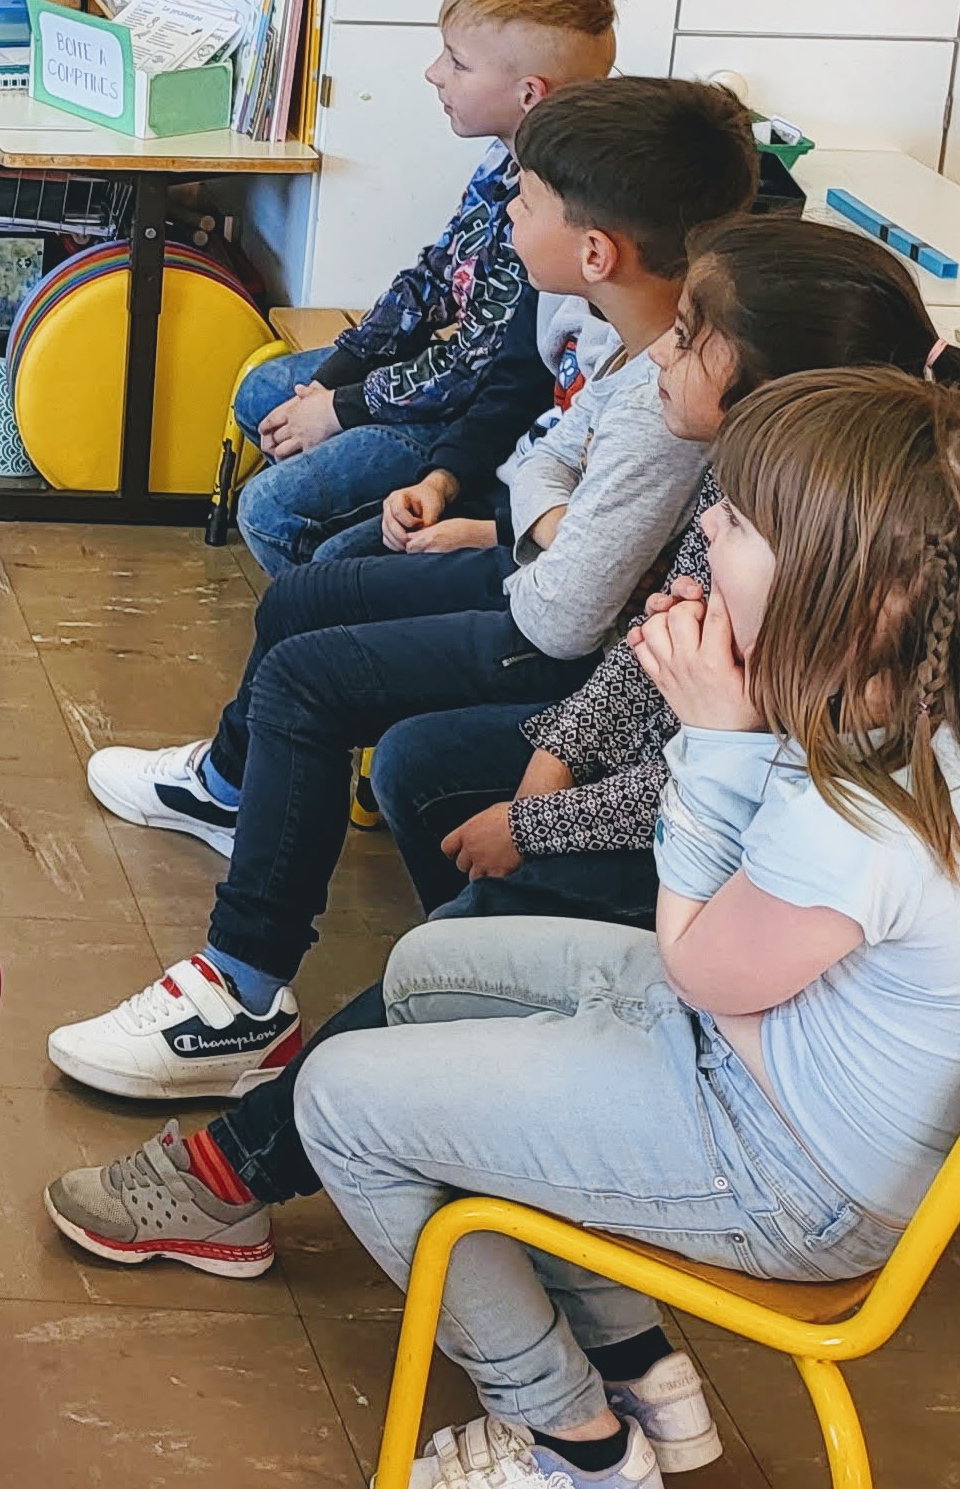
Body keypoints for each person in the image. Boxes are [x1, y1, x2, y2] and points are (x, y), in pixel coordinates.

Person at [49, 219, 960, 1298]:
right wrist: (556, 753)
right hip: (705, 852)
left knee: (482, 916)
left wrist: (535, 824)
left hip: (745, 1009)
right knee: (419, 778)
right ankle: (462, 1073)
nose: (660, 360)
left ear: (763, 376)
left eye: (686, 338)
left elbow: (706, 795)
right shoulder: (775, 496)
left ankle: (263, 1154)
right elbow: (655, 647)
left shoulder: (828, 566)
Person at [299, 371, 960, 1489]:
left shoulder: (867, 818)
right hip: (780, 1066)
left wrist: (712, 737)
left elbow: (697, 965)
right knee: (428, 970)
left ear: (849, 596)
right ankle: (641, 1373)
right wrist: (726, 728)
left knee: (337, 1099)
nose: (704, 533)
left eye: (730, 522)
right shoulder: (943, 713)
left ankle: (569, 1438)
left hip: (784, 1169)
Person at [62, 77, 756, 1102]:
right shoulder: (618, 332)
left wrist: (539, 527)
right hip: (538, 581)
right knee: (307, 597)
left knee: (306, 677)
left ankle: (242, 991)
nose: (507, 216)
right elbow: (538, 469)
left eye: (521, 202)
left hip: (550, 630)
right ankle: (227, 790)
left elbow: (565, 613)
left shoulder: (662, 392)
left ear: (596, 249)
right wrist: (536, 521)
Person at [233, 0, 615, 573]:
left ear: (529, 95)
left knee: (271, 510)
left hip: (474, 417)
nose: (434, 73)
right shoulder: (502, 156)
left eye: (458, 63)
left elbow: (480, 366)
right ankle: (361, 509)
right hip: (442, 383)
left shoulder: (557, 214)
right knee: (263, 395)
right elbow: (435, 276)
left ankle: (343, 579)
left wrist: (342, 408)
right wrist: (338, 376)